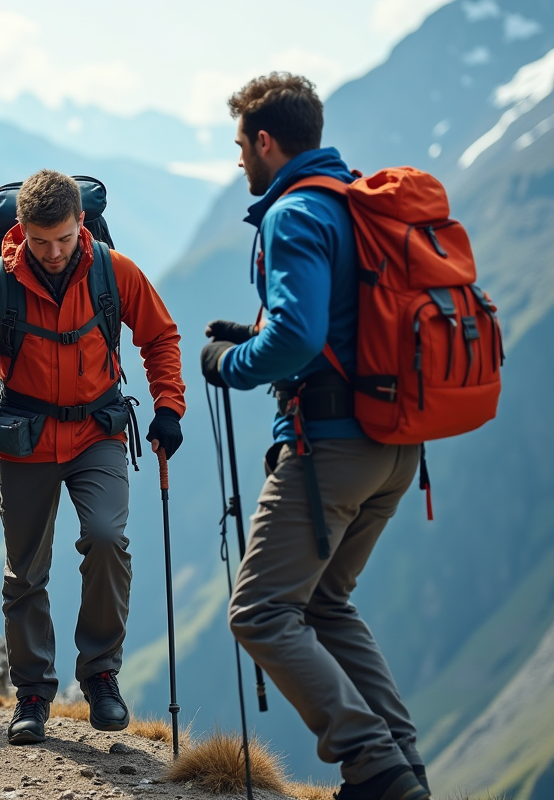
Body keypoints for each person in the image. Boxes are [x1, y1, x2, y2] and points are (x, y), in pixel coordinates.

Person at [200, 74, 429, 800]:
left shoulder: (293, 212)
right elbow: (341, 318)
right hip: (398, 445)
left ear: (266, 141)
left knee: (262, 610)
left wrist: (231, 363)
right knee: (325, 602)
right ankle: (402, 767)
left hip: (331, 446)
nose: (240, 160)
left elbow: (298, 335)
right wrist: (261, 332)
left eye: (241, 145)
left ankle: (372, 764)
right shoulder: (354, 201)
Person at [0, 170, 186, 745]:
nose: (53, 253)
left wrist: (168, 407)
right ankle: (32, 694)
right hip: (23, 441)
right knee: (25, 570)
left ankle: (101, 673)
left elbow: (160, 338)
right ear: (20, 230)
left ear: (82, 223)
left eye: (64, 238)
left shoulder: (113, 272)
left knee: (106, 538)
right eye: (40, 240)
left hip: (98, 433)